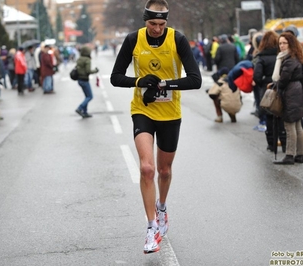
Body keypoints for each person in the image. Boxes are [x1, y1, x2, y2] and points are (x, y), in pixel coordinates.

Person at [110, 0, 201, 254]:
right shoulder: (132, 40)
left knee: (165, 169)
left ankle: (162, 207)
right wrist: (140, 81)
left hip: (170, 113)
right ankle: (151, 227)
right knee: (147, 168)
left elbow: (195, 80)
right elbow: (115, 77)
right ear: (145, 20)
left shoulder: (178, 39)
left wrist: (162, 85)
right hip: (143, 111)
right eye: (153, 24)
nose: (157, 29)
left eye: (162, 24)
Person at [272, 32, 303, 165]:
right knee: (297, 123)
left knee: (289, 123)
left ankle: (290, 155)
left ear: (290, 43)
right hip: (296, 91)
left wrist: (276, 85)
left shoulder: (289, 59)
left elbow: (282, 79)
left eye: (284, 43)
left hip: (290, 92)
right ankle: (300, 154)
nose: (282, 46)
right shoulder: (293, 57)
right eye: (280, 43)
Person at [253, 30, 286, 152]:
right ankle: (284, 142)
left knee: (269, 116)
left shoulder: (261, 57)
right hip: (281, 88)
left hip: (267, 90)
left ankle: (271, 143)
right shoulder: (281, 56)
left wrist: (263, 83)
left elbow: (256, 76)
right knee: (281, 116)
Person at [75, 46, 98, 118]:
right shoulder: (87, 59)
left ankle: (85, 112)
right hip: (85, 80)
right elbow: (88, 71)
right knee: (90, 96)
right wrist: (96, 70)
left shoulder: (79, 58)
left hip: (79, 80)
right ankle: (80, 108)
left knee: (86, 96)